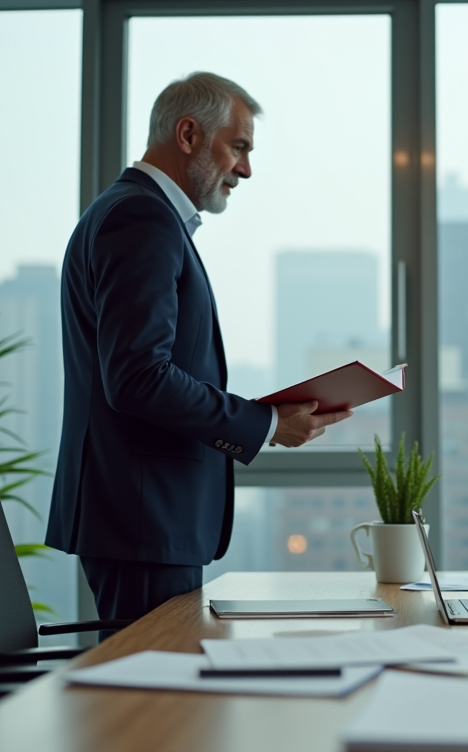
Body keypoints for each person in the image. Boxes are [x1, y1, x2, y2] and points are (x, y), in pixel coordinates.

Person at [46, 72, 352, 625]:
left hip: (146, 520)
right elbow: (138, 377)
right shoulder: (142, 220)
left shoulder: (139, 217)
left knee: (158, 693)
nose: (247, 169)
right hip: (144, 521)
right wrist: (263, 424)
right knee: (152, 699)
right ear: (188, 134)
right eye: (238, 147)